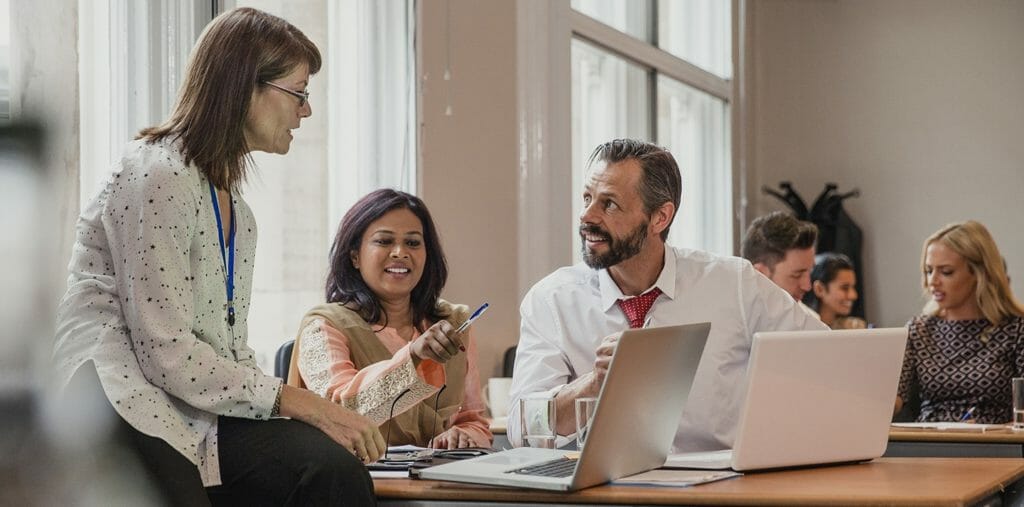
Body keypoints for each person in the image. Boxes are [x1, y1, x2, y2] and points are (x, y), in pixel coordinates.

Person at [52, 8, 382, 505]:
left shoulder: (238, 213)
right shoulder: (157, 177)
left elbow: (225, 350)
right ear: (244, 88)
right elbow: (164, 352)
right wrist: (305, 405)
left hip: (185, 407)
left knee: (330, 469)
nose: (306, 111)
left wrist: (299, 411)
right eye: (299, 93)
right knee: (320, 466)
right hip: (113, 401)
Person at [508, 139, 827, 452]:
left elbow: (825, 357)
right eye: (587, 198)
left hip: (720, 490)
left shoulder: (735, 284)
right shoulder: (551, 300)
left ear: (660, 217)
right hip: (602, 493)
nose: (587, 216)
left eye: (609, 204)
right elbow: (522, 431)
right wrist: (594, 384)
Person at [290, 189, 492, 450]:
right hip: (359, 482)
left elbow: (474, 421)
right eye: (384, 241)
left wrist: (462, 435)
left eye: (413, 243)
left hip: (440, 480)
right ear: (355, 257)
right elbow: (339, 414)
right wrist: (414, 356)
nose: (400, 252)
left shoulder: (452, 323)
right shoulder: (323, 326)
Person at [895, 220, 1024, 423]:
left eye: (946, 272)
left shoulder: (1016, 329)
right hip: (928, 444)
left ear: (979, 273)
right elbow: (891, 400)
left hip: (996, 445)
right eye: (929, 271)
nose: (932, 281)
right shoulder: (918, 330)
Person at [741, 210, 818, 302]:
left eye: (810, 272)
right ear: (759, 274)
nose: (807, 286)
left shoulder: (807, 316)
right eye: (796, 275)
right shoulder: (727, 314)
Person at [804, 253, 867, 329]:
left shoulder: (853, 327)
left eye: (853, 287)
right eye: (845, 288)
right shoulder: (803, 327)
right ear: (819, 289)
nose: (853, 295)